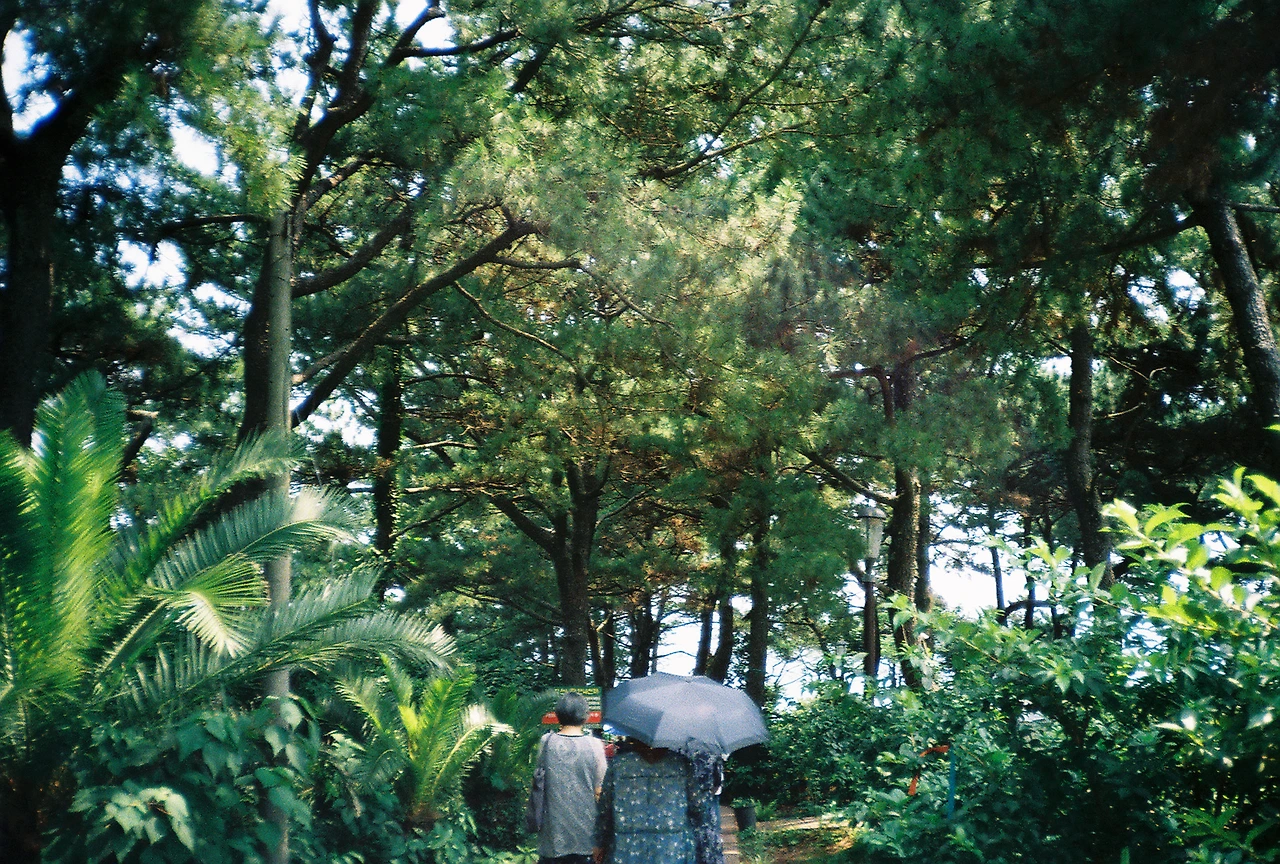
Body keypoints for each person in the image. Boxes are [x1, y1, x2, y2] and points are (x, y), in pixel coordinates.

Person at [595, 739, 720, 864]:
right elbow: (699, 806)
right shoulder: (681, 764)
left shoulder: (619, 765)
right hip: (672, 848)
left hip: (626, 848)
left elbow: (604, 809)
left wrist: (599, 843)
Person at [536, 692, 608, 864]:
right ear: (585, 716)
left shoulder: (546, 742)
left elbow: (539, 778)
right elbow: (600, 789)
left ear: (558, 715)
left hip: (553, 831)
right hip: (587, 832)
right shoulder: (595, 745)